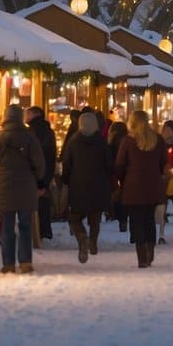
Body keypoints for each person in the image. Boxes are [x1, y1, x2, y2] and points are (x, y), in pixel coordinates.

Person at [0, 103, 45, 274]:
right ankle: (26, 261)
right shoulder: (30, 137)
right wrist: (39, 179)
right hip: (26, 185)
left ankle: (8, 264)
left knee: (7, 227)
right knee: (25, 226)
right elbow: (39, 162)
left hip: (5, 185)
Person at [115, 110, 168, 267]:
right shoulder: (157, 140)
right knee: (149, 220)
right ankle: (150, 251)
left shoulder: (127, 142)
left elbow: (119, 165)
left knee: (136, 221)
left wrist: (122, 179)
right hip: (153, 186)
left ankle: (141, 256)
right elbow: (163, 162)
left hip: (133, 187)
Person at [60, 110, 112, 264]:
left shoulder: (74, 141)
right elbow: (109, 165)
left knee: (75, 218)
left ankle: (82, 237)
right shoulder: (102, 142)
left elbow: (67, 163)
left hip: (78, 186)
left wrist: (65, 180)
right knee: (95, 217)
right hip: (98, 186)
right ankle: (93, 243)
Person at [25, 106, 59, 240]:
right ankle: (45, 230)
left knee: (34, 203)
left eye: (27, 114)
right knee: (44, 202)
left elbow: (34, 154)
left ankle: (37, 232)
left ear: (34, 115)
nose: (25, 116)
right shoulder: (48, 130)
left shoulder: (32, 131)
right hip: (46, 171)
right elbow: (50, 154)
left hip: (35, 171)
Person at [107, 121, 130, 232]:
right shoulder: (128, 142)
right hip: (127, 174)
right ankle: (123, 220)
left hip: (114, 174)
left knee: (116, 197)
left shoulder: (111, 143)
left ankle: (115, 216)